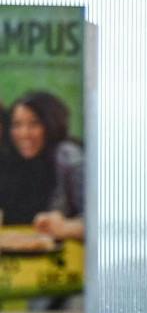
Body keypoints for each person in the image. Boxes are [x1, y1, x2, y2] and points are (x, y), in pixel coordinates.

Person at [1, 91, 85, 242]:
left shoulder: (68, 156)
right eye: (17, 125)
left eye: (34, 124)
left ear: (51, 123)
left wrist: (66, 227)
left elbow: (102, 218)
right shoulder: (24, 160)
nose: (24, 133)